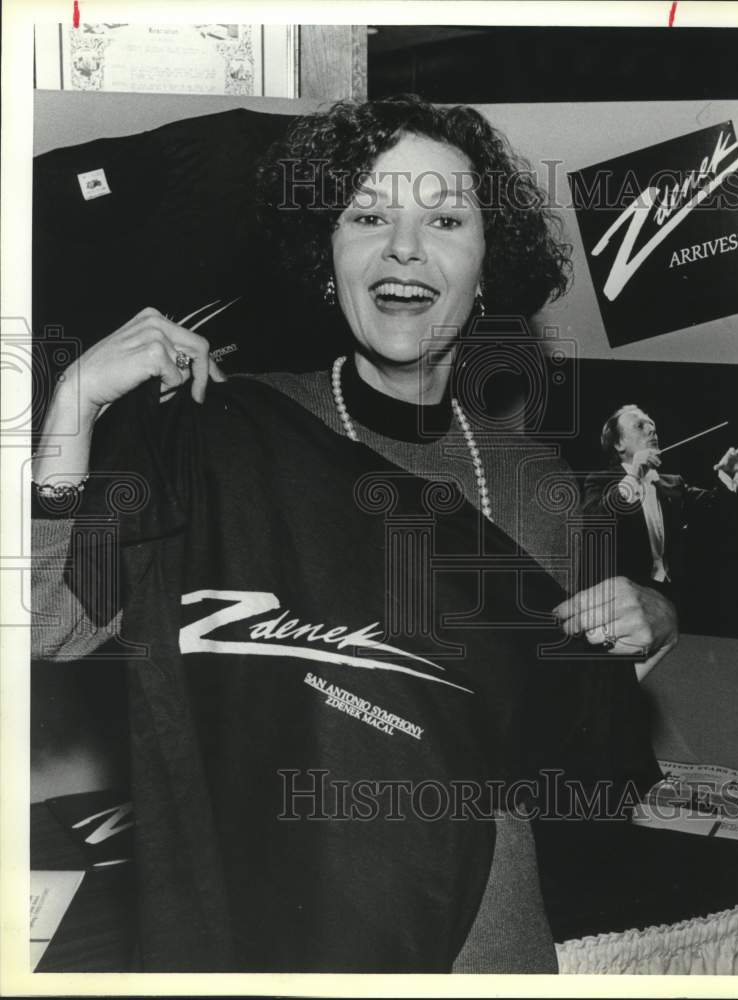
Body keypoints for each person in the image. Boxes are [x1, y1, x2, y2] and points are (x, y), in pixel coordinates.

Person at [31, 96, 675, 973]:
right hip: (268, 940)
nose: (404, 247)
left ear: (486, 267)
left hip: (479, 946)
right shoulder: (229, 436)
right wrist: (74, 402)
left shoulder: (537, 481)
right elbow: (42, 624)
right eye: (367, 216)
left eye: (445, 218)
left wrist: (648, 623)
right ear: (325, 261)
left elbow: (562, 728)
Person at [582, 404, 738, 596]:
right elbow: (593, 525)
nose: (652, 429)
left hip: (673, 597)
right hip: (623, 602)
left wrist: (727, 475)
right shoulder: (599, 481)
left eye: (652, 425)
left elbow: (717, 510)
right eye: (639, 426)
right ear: (619, 443)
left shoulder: (674, 484)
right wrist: (633, 478)